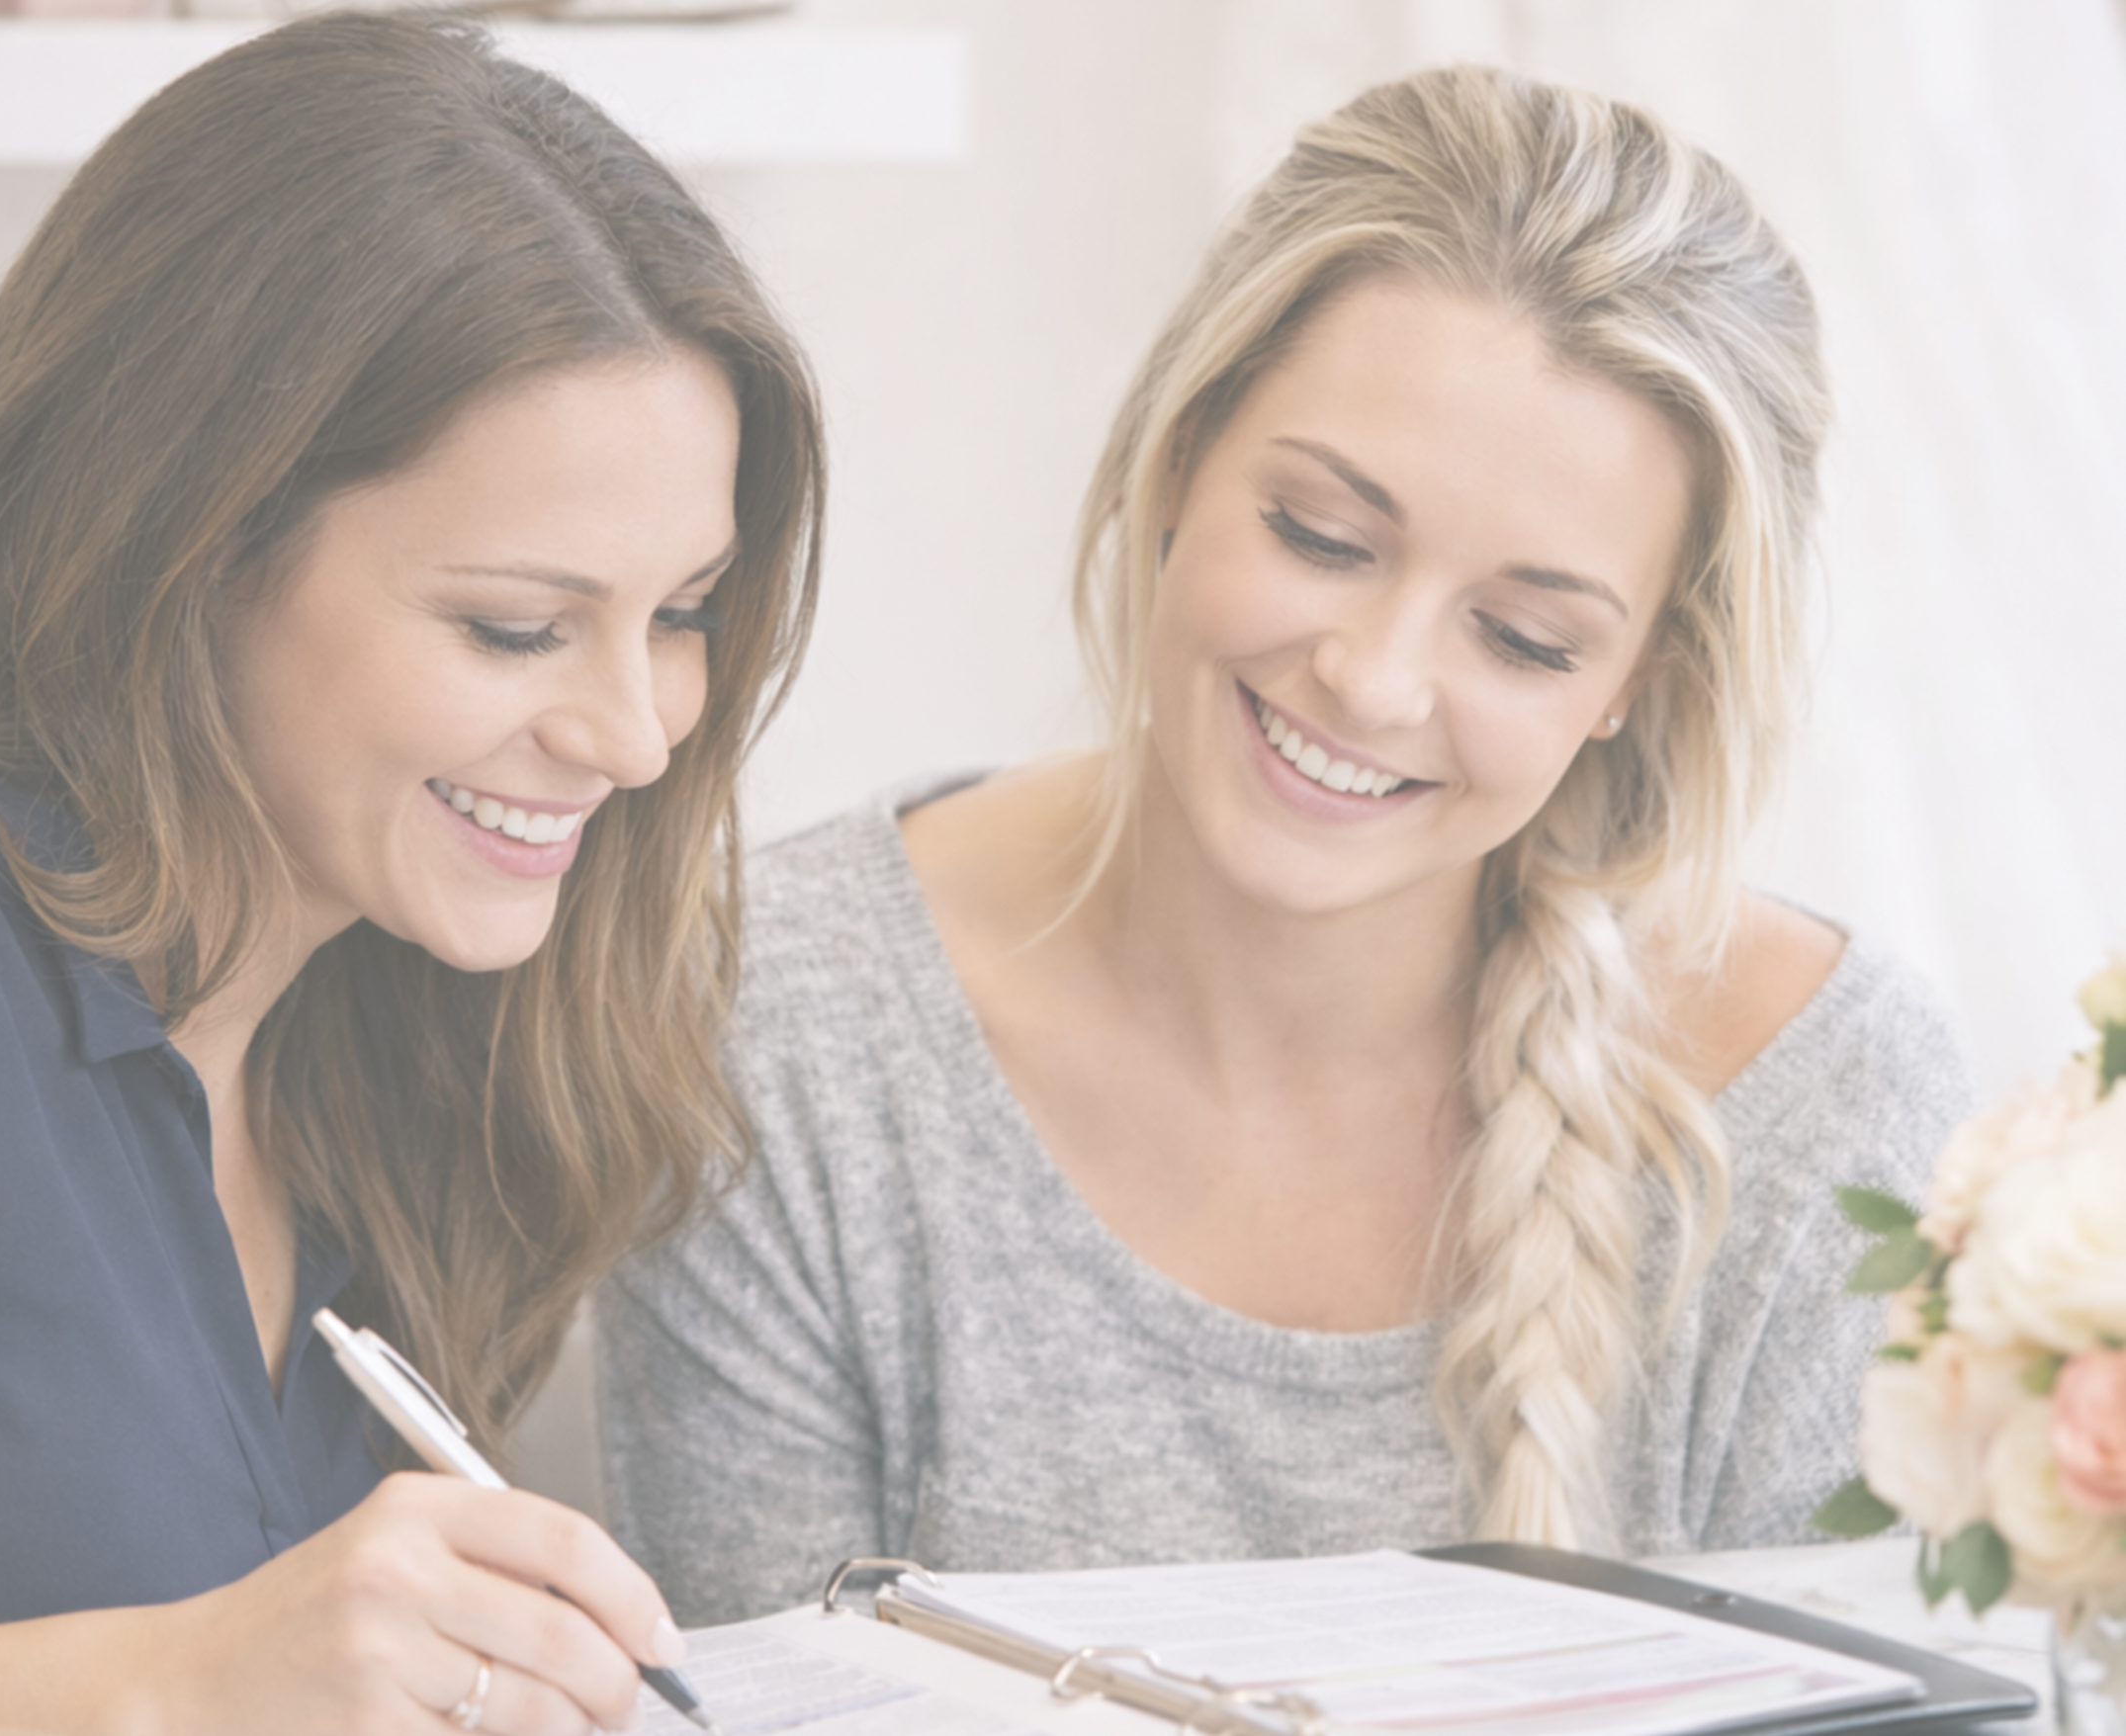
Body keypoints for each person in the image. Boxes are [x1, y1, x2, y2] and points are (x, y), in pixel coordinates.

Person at [599, 62, 1974, 1626]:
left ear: (1635, 685)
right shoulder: (781, 1027)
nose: (1374, 682)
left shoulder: (1828, 1117)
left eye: (1524, 637)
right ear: (1179, 454)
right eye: (1321, 536)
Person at [0, 13, 819, 1731]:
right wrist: (175, 1683)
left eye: (681, 616)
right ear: (189, 543)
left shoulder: (392, 1019)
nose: (633, 737)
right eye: (515, 627)